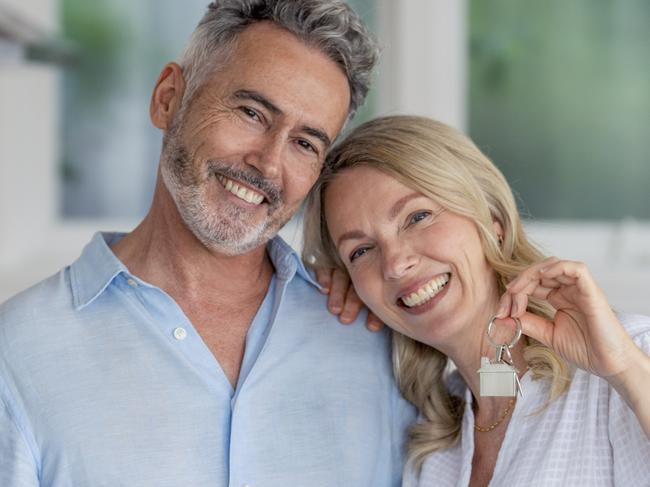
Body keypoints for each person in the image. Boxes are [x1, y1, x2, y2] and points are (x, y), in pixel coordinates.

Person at [0, 3, 416, 486]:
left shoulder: (377, 334)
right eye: (252, 112)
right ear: (168, 98)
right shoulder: (17, 352)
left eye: (305, 143)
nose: (268, 164)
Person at [303, 115, 650, 486]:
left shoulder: (627, 359)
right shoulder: (431, 442)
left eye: (417, 217)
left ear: (493, 219)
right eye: (361, 251)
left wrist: (626, 371)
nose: (395, 264)